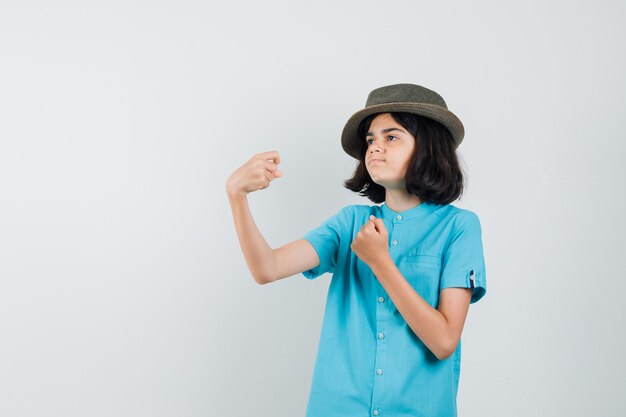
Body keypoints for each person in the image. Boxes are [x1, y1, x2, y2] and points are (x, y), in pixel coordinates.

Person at [225, 83, 487, 417]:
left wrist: (380, 261)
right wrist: (237, 196)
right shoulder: (350, 223)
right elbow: (267, 268)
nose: (376, 148)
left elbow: (444, 341)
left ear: (429, 148)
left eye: (391, 137)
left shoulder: (459, 227)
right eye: (371, 140)